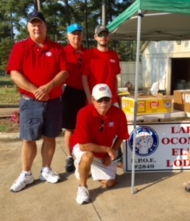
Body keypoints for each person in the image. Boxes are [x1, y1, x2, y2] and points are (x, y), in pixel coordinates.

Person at [7, 11, 69, 192]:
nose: (36, 28)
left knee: (50, 137)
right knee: (28, 139)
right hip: (30, 102)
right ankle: (26, 174)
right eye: (33, 25)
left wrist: (47, 87)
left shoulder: (57, 48)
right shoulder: (20, 47)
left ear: (45, 27)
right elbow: (14, 73)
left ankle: (46, 169)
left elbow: (64, 72)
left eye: (40, 24)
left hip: (54, 101)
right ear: (28, 28)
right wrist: (37, 91)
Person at [71, 83, 129, 205]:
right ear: (93, 100)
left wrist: (110, 154)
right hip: (84, 148)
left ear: (111, 99)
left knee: (110, 184)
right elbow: (83, 146)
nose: (103, 103)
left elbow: (122, 136)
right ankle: (83, 187)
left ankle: (89, 170)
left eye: (107, 99)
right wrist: (108, 149)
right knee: (88, 156)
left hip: (104, 153)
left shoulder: (119, 114)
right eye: (99, 100)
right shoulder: (84, 113)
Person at [82, 25, 123, 167]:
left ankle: (117, 157)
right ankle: (95, 160)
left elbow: (117, 79)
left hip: (112, 100)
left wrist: (117, 97)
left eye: (105, 35)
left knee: (117, 130)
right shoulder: (88, 55)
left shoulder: (114, 56)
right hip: (96, 100)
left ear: (109, 37)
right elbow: (84, 78)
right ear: (95, 37)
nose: (103, 37)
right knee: (96, 129)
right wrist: (89, 98)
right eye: (100, 35)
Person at [62, 24, 87, 173]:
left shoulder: (88, 53)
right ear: (68, 36)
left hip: (86, 92)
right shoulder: (63, 52)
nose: (76, 37)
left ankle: (83, 153)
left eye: (79, 34)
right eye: (73, 34)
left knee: (84, 125)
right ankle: (70, 156)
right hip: (70, 92)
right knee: (70, 127)